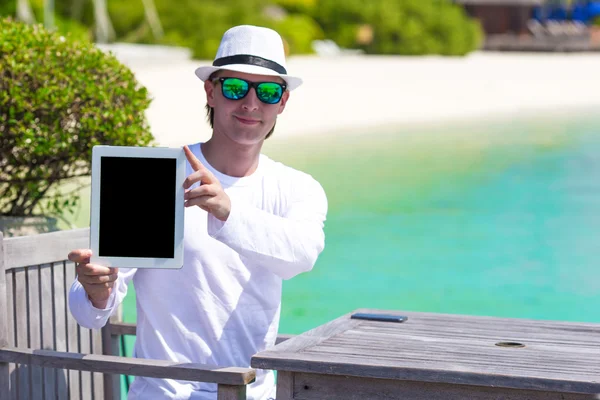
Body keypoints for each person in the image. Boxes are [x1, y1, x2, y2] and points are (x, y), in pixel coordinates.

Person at [67, 25, 328, 400]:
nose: (251, 103)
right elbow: (89, 312)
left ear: (283, 102)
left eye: (268, 91)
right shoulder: (155, 177)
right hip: (163, 393)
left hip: (252, 393)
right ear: (211, 91)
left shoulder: (297, 187)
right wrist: (95, 290)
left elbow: (300, 256)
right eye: (235, 87)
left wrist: (227, 210)